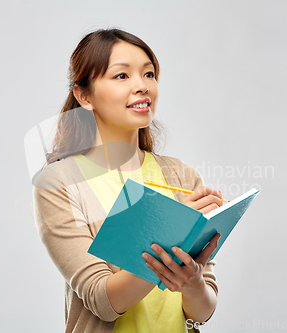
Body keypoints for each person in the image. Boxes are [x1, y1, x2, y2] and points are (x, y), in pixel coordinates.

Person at [32, 28, 224, 333]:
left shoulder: (183, 176)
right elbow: (103, 301)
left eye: (149, 74)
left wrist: (192, 281)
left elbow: (202, 312)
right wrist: (174, 233)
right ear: (84, 96)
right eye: (122, 76)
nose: (142, 86)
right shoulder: (58, 183)